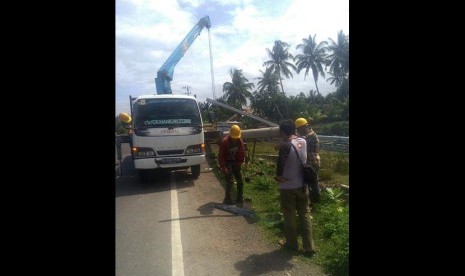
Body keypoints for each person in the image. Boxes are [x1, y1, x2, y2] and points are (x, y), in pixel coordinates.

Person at [276, 119, 316, 255]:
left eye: (280, 131)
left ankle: (292, 244)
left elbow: (281, 164)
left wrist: (279, 177)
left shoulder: (285, 145)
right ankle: (309, 247)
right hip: (302, 185)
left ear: (283, 131)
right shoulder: (303, 142)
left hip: (288, 187)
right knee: (305, 214)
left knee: (289, 215)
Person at [218, 124, 246, 205]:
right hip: (227, 162)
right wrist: (223, 167)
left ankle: (239, 198)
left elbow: (241, 152)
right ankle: (227, 199)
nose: (235, 139)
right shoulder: (224, 142)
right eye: (234, 138)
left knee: (240, 181)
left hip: (236, 162)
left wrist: (241, 162)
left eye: (236, 138)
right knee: (230, 181)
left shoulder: (239, 141)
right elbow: (221, 156)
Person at [295, 118, 321, 202]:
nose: (298, 131)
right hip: (308, 162)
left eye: (299, 129)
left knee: (313, 182)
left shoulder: (311, 135)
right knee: (306, 181)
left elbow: (301, 143)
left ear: (304, 126)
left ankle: (316, 201)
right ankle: (308, 200)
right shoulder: (306, 135)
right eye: (297, 129)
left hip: (312, 162)